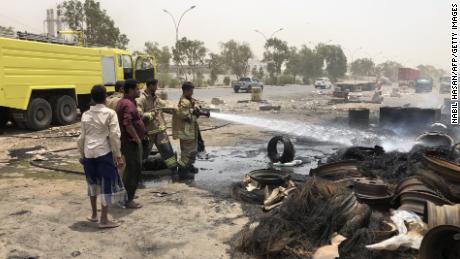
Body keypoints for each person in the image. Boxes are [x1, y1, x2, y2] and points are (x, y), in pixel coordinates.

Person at [77, 85, 126, 229]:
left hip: (88, 153)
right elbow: (114, 136)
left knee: (92, 183)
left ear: (92, 97)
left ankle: (93, 215)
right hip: (103, 152)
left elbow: (81, 138)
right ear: (105, 97)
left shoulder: (85, 114)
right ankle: (104, 219)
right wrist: (118, 156)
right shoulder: (110, 113)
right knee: (106, 185)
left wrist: (82, 154)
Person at [136, 79, 178, 172]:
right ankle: (137, 176)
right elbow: (139, 115)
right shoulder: (141, 99)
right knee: (142, 156)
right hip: (148, 134)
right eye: (155, 86)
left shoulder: (156, 97)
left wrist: (177, 108)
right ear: (150, 86)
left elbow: (166, 105)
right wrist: (150, 114)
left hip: (160, 132)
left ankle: (174, 171)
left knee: (168, 154)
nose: (157, 88)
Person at [115, 79, 145, 209]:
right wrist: (137, 138)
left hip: (126, 141)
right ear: (131, 90)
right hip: (130, 142)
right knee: (134, 169)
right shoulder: (128, 104)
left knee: (129, 169)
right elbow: (127, 124)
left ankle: (125, 195)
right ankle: (129, 200)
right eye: (137, 89)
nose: (139, 91)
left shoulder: (124, 102)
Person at [172, 81, 208, 179]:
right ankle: (182, 171)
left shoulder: (189, 99)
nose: (192, 92)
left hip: (191, 130)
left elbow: (195, 105)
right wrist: (196, 115)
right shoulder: (184, 102)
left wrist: (198, 109)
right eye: (191, 90)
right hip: (186, 131)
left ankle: (189, 166)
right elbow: (186, 117)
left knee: (192, 151)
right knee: (187, 152)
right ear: (186, 91)